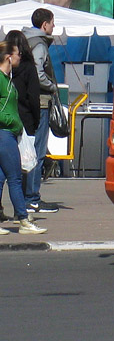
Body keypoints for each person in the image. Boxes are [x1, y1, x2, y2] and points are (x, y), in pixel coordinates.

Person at [0, 39, 47, 234]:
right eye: (17, 54)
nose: (20, 56)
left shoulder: (7, 79)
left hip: (9, 132)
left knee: (1, 177)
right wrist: (14, 123)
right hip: (5, 133)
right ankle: (23, 219)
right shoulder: (1, 80)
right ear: (9, 57)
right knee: (15, 177)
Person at [22, 7, 59, 214]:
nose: (54, 27)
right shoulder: (40, 45)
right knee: (37, 151)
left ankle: (27, 197)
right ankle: (32, 198)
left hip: (26, 103)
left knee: (28, 150)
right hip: (40, 103)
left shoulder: (24, 40)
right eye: (53, 23)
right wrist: (52, 86)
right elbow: (38, 72)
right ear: (44, 25)